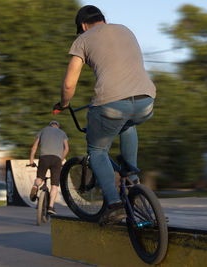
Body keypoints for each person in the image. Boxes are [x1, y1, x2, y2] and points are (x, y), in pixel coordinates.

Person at [53, 5, 156, 224]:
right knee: (128, 124)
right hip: (146, 100)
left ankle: (114, 204)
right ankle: (132, 180)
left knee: (97, 149)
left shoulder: (83, 39)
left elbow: (70, 83)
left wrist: (63, 103)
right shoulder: (126, 30)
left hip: (111, 103)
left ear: (82, 26)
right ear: (104, 20)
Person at [29, 120, 69, 215]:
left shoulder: (44, 130)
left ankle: (35, 186)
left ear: (50, 126)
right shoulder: (62, 133)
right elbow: (66, 149)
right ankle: (51, 206)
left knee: (39, 179)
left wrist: (31, 161)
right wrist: (61, 160)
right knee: (54, 185)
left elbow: (34, 147)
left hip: (44, 157)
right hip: (56, 160)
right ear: (58, 126)